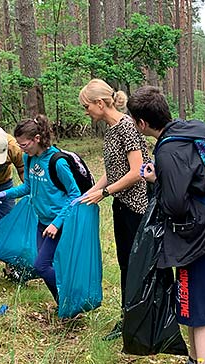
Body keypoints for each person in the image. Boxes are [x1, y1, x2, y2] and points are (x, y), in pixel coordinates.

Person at [128, 86, 205, 364]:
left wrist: (156, 181)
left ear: (142, 122)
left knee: (202, 314)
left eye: (135, 122)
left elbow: (175, 203)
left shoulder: (168, 149)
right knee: (189, 307)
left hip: (200, 239)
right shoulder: (189, 130)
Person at [79, 79, 149, 341]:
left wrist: (105, 193)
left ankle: (138, 319)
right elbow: (112, 173)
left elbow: (137, 172)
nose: (86, 111)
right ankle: (128, 317)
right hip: (122, 204)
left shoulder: (127, 127)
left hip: (137, 207)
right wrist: (91, 190)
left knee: (135, 265)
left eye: (87, 106)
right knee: (124, 264)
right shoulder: (110, 130)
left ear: (100, 103)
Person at [0, 116, 80, 304]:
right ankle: (63, 305)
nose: (21, 149)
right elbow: (28, 188)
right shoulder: (29, 158)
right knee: (45, 265)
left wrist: (57, 223)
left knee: (41, 266)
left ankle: (69, 302)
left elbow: (74, 194)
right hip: (42, 222)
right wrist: (5, 194)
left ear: (37, 139)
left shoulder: (57, 162)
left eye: (24, 144)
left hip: (59, 223)